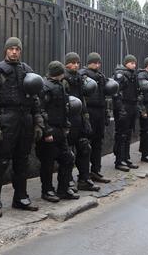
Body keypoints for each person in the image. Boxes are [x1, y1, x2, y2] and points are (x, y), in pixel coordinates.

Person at [0, 37, 44, 217]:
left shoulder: (27, 71)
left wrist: (38, 121)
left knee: (22, 161)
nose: (14, 52)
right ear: (6, 51)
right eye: (11, 49)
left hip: (25, 120)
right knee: (1, 161)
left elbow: (35, 99)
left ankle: (20, 197)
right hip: (6, 119)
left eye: (17, 49)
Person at [36, 61, 79, 202]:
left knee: (67, 158)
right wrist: (47, 131)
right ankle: (47, 190)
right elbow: (40, 110)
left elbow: (64, 108)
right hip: (50, 131)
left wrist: (65, 126)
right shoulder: (45, 87)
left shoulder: (60, 85)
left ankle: (63, 188)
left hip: (60, 129)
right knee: (48, 163)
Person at [64, 52, 100, 191]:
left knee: (85, 148)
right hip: (68, 119)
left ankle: (84, 179)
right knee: (68, 152)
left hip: (79, 118)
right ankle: (67, 181)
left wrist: (86, 119)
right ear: (67, 63)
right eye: (72, 62)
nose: (75, 65)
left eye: (77, 63)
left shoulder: (79, 78)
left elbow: (82, 100)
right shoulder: (63, 79)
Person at [80, 52, 112, 184]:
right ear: (89, 62)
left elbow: (105, 96)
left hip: (99, 111)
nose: (97, 64)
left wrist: (106, 113)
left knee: (98, 143)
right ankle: (84, 174)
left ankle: (96, 171)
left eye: (99, 62)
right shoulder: (83, 75)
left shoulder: (101, 76)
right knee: (87, 144)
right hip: (89, 111)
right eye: (95, 62)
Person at [112, 55, 142, 172]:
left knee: (128, 134)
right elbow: (116, 93)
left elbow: (138, 91)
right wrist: (120, 108)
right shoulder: (121, 75)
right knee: (121, 134)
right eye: (131, 63)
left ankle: (126, 158)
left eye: (134, 63)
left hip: (132, 106)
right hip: (124, 106)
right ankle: (119, 160)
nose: (133, 65)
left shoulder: (134, 75)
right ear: (125, 63)